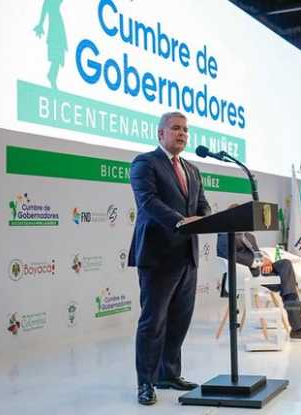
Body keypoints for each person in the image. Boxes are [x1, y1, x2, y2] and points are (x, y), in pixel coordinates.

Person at [128, 111, 211, 406]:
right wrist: (181, 221)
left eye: (185, 130)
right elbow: (148, 202)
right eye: (176, 128)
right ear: (160, 134)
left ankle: (169, 374)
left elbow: (203, 207)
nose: (182, 134)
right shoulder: (144, 163)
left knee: (179, 320)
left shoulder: (192, 170)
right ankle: (146, 383)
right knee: (153, 322)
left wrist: (204, 220)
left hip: (187, 255)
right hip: (158, 255)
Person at [217, 227, 301, 340]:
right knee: (288, 283)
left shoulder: (249, 236)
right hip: (248, 274)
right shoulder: (224, 237)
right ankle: (297, 327)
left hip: (262, 270)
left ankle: (292, 306)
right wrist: (261, 262)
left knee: (285, 264)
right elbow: (234, 256)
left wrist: (267, 263)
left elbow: (258, 254)